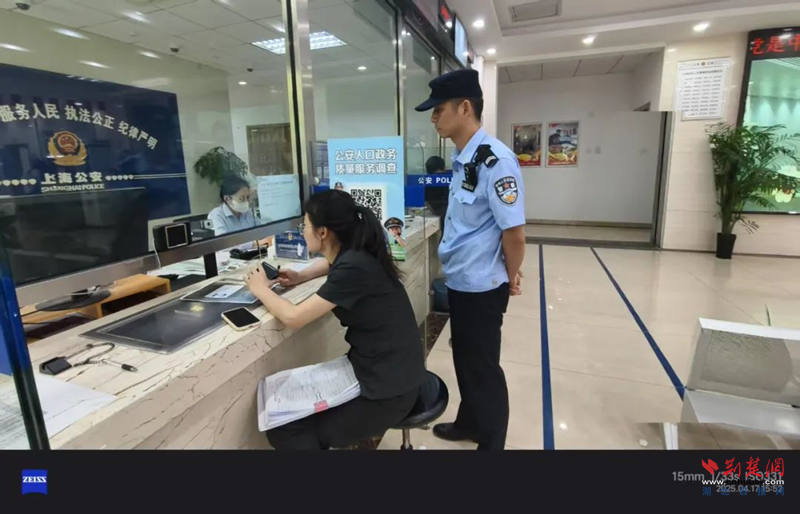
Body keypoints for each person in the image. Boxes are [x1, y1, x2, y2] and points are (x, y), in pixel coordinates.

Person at [244, 189, 426, 450]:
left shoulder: (354, 267)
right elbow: (333, 265)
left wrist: (260, 289)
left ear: (322, 232)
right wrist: (301, 275)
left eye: (305, 225)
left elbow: (293, 317)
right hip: (389, 371)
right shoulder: (357, 254)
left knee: (287, 429)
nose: (302, 231)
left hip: (389, 390)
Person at [415, 68, 526, 450]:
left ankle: (492, 442)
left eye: (439, 109)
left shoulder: (497, 161)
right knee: (464, 358)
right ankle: (470, 422)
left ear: (465, 108)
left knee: (483, 367)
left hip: (482, 286)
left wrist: (510, 274)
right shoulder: (465, 158)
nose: (433, 118)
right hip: (461, 281)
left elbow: (514, 232)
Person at [207, 175, 269, 251]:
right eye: (241, 198)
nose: (246, 202)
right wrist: (253, 244)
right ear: (227, 199)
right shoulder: (216, 216)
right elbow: (223, 244)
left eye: (247, 197)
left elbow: (263, 231)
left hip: (253, 253)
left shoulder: (248, 213)